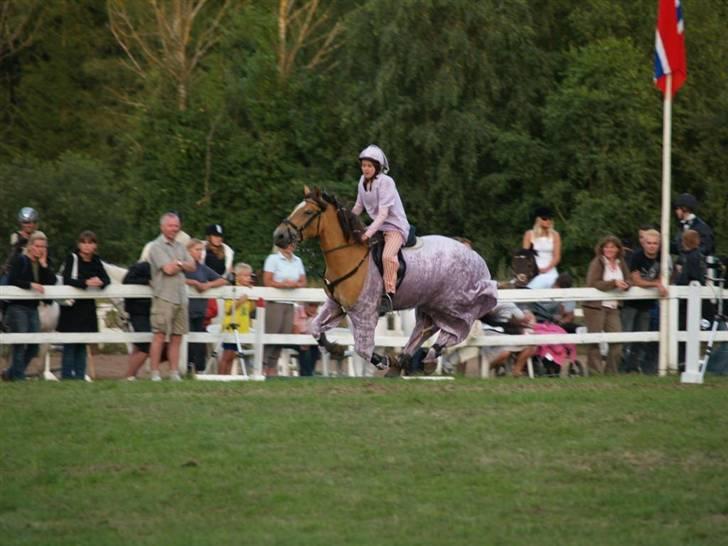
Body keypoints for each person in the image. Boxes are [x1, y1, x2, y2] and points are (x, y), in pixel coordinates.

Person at [351, 144, 411, 314]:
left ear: (377, 167)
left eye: (369, 165)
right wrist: (345, 219)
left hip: (395, 227)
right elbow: (358, 206)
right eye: (363, 165)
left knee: (387, 256)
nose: (366, 169)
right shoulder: (362, 182)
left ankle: (389, 295)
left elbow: (384, 214)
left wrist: (367, 233)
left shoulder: (386, 182)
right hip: (377, 227)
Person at [1, 232, 57, 381]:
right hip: (18, 308)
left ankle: (11, 373)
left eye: (43, 247)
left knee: (33, 346)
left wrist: (44, 265)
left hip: (32, 308)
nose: (40, 249)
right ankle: (18, 377)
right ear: (30, 246)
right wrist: (30, 285)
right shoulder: (21, 260)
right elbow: (13, 280)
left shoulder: (41, 265)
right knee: (20, 344)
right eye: (37, 246)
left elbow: (51, 282)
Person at [147, 212, 196, 381]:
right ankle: (154, 373)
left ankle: (174, 372)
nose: (174, 229)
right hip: (164, 297)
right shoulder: (156, 246)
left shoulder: (180, 247)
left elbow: (193, 266)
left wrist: (179, 263)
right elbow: (167, 270)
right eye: (170, 225)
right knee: (159, 335)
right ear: (162, 227)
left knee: (177, 336)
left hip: (181, 297)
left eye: (176, 225)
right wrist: (180, 265)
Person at [57, 231, 111, 380]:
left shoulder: (96, 260)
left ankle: (80, 376)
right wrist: (85, 282)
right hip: (72, 307)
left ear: (95, 245)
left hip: (87, 307)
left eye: (90, 243)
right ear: (79, 244)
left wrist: (100, 282)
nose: (87, 246)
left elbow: (106, 279)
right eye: (84, 242)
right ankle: (67, 376)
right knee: (70, 344)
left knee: (82, 343)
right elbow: (67, 280)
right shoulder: (72, 258)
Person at [621, 228, 668, 374]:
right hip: (631, 303)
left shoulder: (663, 258)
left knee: (641, 338)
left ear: (659, 244)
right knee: (626, 336)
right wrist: (656, 284)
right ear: (644, 244)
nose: (652, 246)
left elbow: (666, 277)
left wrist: (660, 283)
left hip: (648, 304)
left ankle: (634, 368)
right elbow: (636, 280)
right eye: (649, 243)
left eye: (655, 243)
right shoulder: (636, 256)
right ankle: (621, 367)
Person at [583, 236, 631, 374]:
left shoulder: (621, 262)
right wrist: (613, 283)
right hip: (595, 307)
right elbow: (593, 282)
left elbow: (629, 279)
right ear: (602, 248)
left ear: (618, 249)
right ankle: (595, 372)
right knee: (594, 341)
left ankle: (611, 372)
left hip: (613, 306)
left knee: (617, 341)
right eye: (607, 247)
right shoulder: (597, 262)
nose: (609, 250)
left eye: (612, 247)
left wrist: (626, 284)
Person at [262, 243, 306, 377]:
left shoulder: (298, 260)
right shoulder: (273, 259)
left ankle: (272, 370)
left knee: (282, 338)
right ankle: (261, 368)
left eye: (293, 243)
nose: (291, 245)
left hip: (289, 303)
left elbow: (303, 282)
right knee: (271, 336)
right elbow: (267, 281)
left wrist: (294, 284)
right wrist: (282, 285)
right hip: (275, 302)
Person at [184, 238, 227, 373]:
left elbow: (222, 280)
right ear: (188, 251)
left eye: (201, 250)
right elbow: (177, 279)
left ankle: (199, 371)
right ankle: (186, 369)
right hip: (185, 311)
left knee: (199, 344)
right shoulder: (183, 266)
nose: (200, 253)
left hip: (201, 312)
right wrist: (194, 283)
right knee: (188, 343)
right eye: (197, 250)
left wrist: (208, 285)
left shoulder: (203, 268)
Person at [218, 262, 255, 375]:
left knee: (233, 356)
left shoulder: (248, 291)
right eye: (245, 275)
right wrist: (240, 301)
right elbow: (229, 310)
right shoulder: (232, 289)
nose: (248, 278)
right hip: (231, 327)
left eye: (249, 276)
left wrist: (252, 297)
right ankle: (220, 376)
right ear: (237, 276)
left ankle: (228, 376)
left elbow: (250, 309)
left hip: (242, 328)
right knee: (227, 355)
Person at [122, 261, 155, 380]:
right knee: (146, 345)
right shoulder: (142, 266)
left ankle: (132, 375)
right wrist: (147, 282)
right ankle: (129, 375)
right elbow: (126, 281)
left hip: (150, 311)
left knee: (139, 345)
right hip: (137, 310)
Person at [522, 206, 561, 289]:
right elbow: (526, 255)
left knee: (556, 287)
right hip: (533, 268)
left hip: (550, 268)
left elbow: (557, 256)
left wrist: (547, 269)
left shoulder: (555, 235)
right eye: (544, 218)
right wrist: (535, 268)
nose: (548, 221)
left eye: (550, 218)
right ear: (538, 220)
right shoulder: (529, 234)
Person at [2, 207, 40, 277]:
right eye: (27, 222)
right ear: (21, 223)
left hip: (34, 270)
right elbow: (14, 251)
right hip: (17, 270)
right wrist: (22, 241)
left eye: (34, 222)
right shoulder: (16, 236)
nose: (30, 225)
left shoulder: (39, 236)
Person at [292, 302, 321, 376]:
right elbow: (295, 329)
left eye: (316, 306)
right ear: (305, 305)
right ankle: (307, 374)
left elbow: (316, 333)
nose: (313, 309)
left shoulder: (316, 316)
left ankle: (309, 372)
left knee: (315, 349)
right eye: (311, 305)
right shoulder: (297, 311)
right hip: (294, 338)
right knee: (304, 349)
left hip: (309, 339)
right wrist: (303, 342)